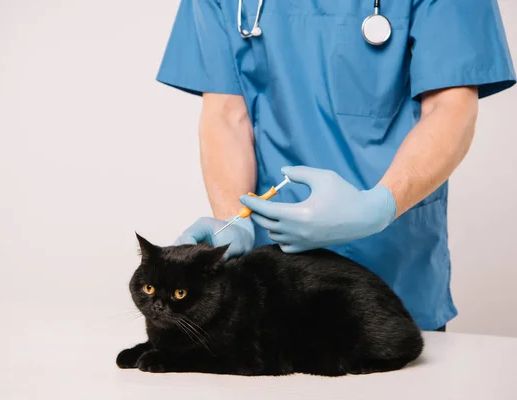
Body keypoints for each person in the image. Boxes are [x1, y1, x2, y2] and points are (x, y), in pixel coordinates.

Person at [154, 0, 515, 331]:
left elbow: (452, 109)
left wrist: (378, 207)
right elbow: (226, 114)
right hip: (269, 279)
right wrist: (233, 221)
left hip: (393, 270)